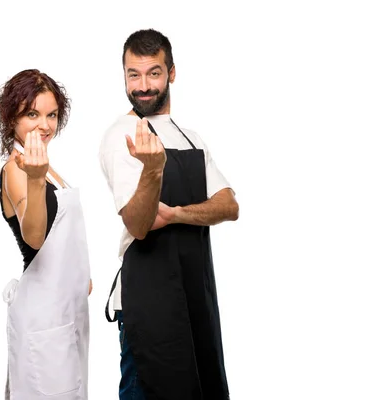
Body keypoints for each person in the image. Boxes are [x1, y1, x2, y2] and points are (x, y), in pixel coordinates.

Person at [99, 29, 239, 400]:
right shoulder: (122, 136)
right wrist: (153, 170)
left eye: (154, 73)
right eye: (134, 74)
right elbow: (139, 224)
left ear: (172, 73)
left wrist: (176, 213)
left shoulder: (191, 137)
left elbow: (229, 205)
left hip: (195, 297)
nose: (143, 86)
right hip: (148, 304)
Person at [0, 69, 92, 400]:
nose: (45, 125)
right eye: (32, 114)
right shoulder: (16, 170)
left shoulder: (44, 166)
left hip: (65, 313)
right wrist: (35, 180)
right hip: (43, 318)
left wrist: (80, 276)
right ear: (11, 118)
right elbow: (34, 237)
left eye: (51, 115)